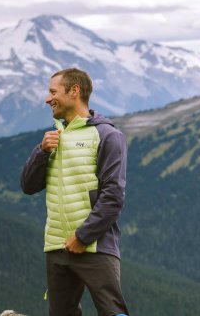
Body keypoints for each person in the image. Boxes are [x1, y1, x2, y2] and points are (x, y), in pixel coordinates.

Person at [20, 68, 129, 316]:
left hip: (95, 245)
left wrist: (82, 236)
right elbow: (28, 186)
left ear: (74, 91)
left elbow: (113, 197)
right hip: (56, 246)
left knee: (113, 312)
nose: (48, 99)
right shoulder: (54, 137)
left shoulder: (107, 135)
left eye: (53, 92)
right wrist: (41, 151)